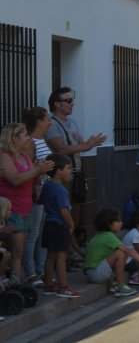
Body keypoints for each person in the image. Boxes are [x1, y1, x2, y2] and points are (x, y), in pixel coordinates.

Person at [45, 87, 106, 239]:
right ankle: (64, 254)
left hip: (75, 174)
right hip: (62, 177)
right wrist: (86, 145)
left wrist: (90, 143)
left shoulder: (71, 122)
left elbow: (80, 144)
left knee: (75, 215)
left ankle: (71, 251)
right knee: (64, 215)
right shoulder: (52, 124)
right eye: (68, 101)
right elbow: (60, 149)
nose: (72, 104)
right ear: (57, 104)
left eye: (72, 100)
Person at [0, 123, 54, 281]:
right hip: (11, 208)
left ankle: (15, 280)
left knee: (19, 250)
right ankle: (14, 281)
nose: (28, 138)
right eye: (24, 135)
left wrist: (40, 170)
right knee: (16, 249)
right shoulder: (4, 155)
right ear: (14, 138)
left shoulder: (23, 155)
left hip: (25, 207)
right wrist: (36, 170)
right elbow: (15, 180)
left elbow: (31, 179)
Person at [83, 208, 139, 296]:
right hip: (96, 274)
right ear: (109, 224)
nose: (121, 223)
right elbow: (127, 250)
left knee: (117, 252)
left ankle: (114, 284)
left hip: (92, 274)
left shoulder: (100, 235)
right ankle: (120, 285)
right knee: (121, 253)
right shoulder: (108, 236)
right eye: (118, 221)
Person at [39, 154, 80, 298]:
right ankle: (63, 286)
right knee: (61, 257)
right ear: (58, 171)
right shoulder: (61, 190)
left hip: (49, 223)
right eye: (67, 168)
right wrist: (71, 223)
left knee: (50, 257)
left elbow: (40, 201)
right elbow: (64, 210)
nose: (69, 170)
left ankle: (49, 285)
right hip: (59, 224)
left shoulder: (47, 186)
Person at [21, 106, 53, 288]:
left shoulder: (42, 140)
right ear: (39, 121)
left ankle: (40, 269)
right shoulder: (30, 143)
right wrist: (36, 184)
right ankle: (30, 273)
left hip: (45, 190)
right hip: (37, 191)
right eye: (47, 118)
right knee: (32, 234)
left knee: (41, 233)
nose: (49, 122)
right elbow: (29, 167)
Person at [0, 197, 14, 283]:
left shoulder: (2, 222)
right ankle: (0, 275)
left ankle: (3, 274)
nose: (10, 212)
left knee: (8, 254)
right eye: (8, 209)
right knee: (5, 255)